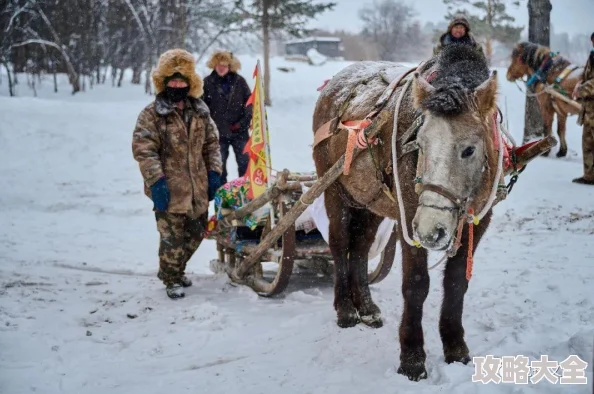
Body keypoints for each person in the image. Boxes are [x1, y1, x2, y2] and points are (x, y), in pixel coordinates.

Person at [132, 49, 223, 299]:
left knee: (196, 232)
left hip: (198, 187)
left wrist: (214, 172)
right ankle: (171, 277)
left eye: (181, 80)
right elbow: (144, 149)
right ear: (163, 82)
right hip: (169, 187)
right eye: (172, 80)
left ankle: (177, 269)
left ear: (189, 83)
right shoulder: (152, 114)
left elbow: (212, 144)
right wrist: (156, 180)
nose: (177, 85)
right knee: (172, 238)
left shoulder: (201, 112)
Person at [202, 51, 253, 185]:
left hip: (239, 133)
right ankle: (222, 195)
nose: (221, 67)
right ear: (214, 65)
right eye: (218, 64)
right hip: (217, 134)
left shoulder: (240, 81)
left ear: (230, 66)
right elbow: (201, 108)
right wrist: (210, 126)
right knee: (219, 166)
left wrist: (241, 124)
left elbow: (250, 105)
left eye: (224, 64)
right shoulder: (207, 82)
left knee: (245, 165)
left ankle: (246, 192)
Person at [572, 32, 594, 185]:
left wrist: (580, 90)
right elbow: (585, 76)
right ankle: (589, 175)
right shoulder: (592, 57)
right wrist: (578, 83)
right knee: (588, 142)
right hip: (589, 109)